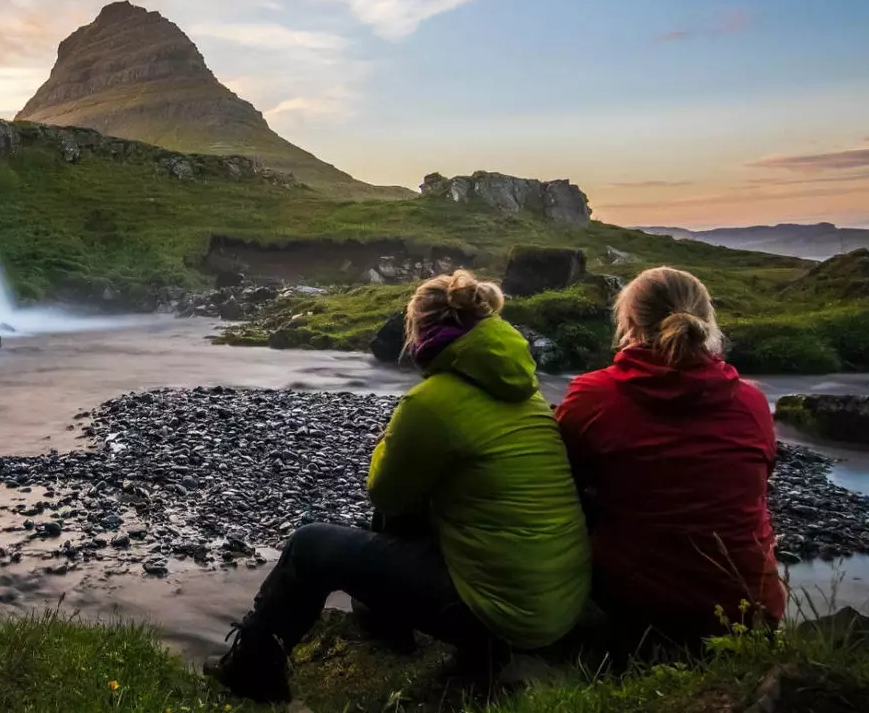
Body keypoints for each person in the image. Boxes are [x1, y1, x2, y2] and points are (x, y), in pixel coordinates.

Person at [208, 271, 591, 703]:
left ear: (421, 332)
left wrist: (390, 440)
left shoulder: (431, 403)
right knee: (405, 509)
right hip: (559, 603)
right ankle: (388, 625)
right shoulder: (527, 393)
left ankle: (251, 669)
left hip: (499, 615)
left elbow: (384, 491)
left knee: (308, 546)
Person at [554, 267, 785, 656]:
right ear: (708, 321)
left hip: (646, 612)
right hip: (751, 614)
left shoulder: (594, 397)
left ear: (628, 323)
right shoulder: (751, 402)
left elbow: (555, 483)